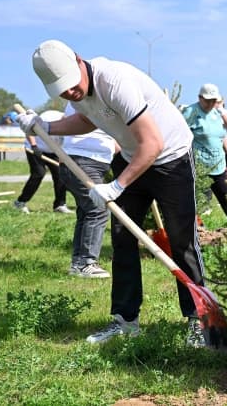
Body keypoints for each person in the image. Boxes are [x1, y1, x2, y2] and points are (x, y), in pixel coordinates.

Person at [22, 39, 206, 347]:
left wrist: (117, 185)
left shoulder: (115, 80)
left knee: (181, 239)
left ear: (79, 61)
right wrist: (45, 127)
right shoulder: (78, 91)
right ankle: (125, 321)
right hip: (135, 154)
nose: (70, 93)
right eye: (61, 91)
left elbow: (153, 144)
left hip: (170, 156)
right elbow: (86, 118)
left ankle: (199, 319)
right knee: (122, 238)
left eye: (71, 85)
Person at [60, 103, 118, 279]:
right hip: (84, 161)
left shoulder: (80, 100)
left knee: (86, 211)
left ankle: (78, 264)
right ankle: (86, 263)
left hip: (78, 160)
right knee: (98, 210)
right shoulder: (97, 99)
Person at [181, 84, 227, 220]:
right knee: (197, 203)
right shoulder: (191, 112)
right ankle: (199, 233)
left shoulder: (217, 112)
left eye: (214, 100)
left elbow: (223, 133)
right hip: (199, 167)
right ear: (200, 98)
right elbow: (180, 136)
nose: (210, 104)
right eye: (207, 100)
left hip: (218, 165)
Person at [14, 109, 72, 214]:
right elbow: (30, 128)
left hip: (54, 151)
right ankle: (20, 202)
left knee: (60, 175)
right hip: (35, 148)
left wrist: (63, 161)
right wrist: (34, 146)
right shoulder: (49, 116)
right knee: (39, 173)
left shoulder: (71, 127)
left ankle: (59, 205)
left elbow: (64, 146)